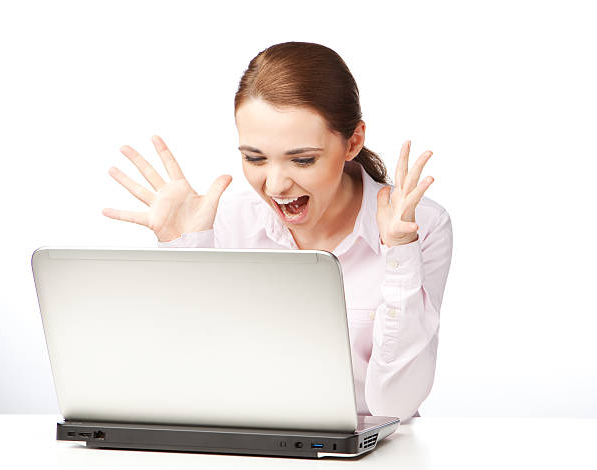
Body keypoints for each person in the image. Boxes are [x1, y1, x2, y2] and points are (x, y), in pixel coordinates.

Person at [102, 41, 453, 423]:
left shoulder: (421, 226)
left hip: (378, 455)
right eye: (254, 158)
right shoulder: (225, 220)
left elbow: (395, 406)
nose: (274, 185)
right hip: (252, 443)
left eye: (302, 159)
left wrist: (399, 252)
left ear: (352, 141)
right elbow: (190, 383)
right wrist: (186, 250)